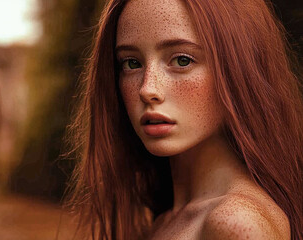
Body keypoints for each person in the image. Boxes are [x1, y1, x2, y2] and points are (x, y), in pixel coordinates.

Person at [65, 0, 303, 239]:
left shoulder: (237, 224)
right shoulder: (166, 219)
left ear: (241, 69)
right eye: (132, 63)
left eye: (182, 60)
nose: (147, 89)